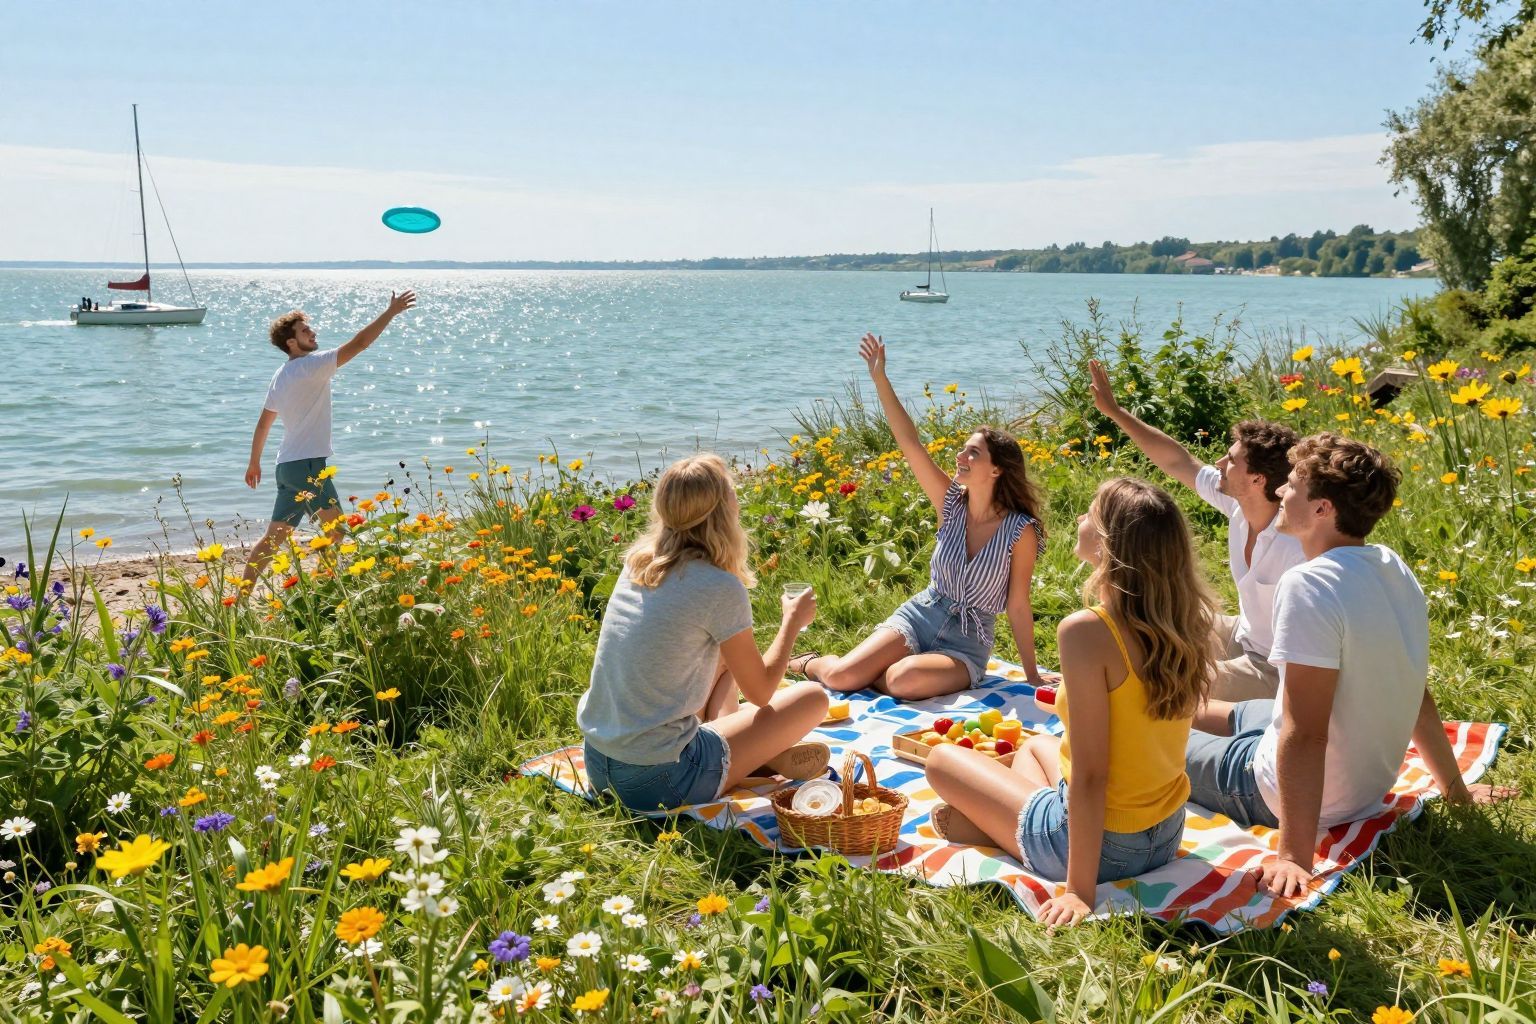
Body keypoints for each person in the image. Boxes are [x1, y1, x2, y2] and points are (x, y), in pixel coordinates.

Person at [1184, 434, 1518, 898]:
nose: (1280, 491)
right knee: (1221, 712)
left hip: (1290, 793)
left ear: (1322, 508)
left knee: (1151, 740)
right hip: (1366, 785)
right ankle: (1172, 711)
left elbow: (1305, 733)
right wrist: (1455, 791)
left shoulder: (1308, 585)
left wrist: (1293, 856)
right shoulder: (1390, 565)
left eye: (1292, 485)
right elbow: (1414, 691)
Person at [926, 477, 1216, 927]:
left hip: (1102, 851)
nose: (1080, 517)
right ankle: (1005, 824)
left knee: (942, 760)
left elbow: (1092, 774)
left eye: (1091, 512)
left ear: (1107, 544)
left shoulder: (1087, 631)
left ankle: (1007, 833)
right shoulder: (1183, 621)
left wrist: (1079, 890)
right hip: (1164, 835)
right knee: (1035, 746)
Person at [792, 333, 1049, 698]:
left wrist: (1032, 674)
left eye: (973, 453)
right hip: (921, 615)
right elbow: (910, 443)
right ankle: (810, 663)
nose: (960, 456)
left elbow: (1019, 604)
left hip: (966, 643)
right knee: (841, 677)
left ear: (997, 470)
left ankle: (883, 672)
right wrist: (880, 379)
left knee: (903, 680)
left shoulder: (1020, 531)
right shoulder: (950, 503)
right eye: (963, 449)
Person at [578, 454, 831, 812]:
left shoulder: (639, 563)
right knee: (812, 698)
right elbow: (760, 693)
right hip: (660, 781)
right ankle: (751, 759)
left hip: (599, 764)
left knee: (728, 662)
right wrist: (791, 622)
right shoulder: (718, 586)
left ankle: (746, 757)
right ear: (724, 513)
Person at [1088, 359, 1302, 701]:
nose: (1219, 463)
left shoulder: (1296, 544)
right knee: (1153, 617)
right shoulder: (1238, 505)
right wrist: (1115, 412)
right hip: (1243, 635)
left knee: (1170, 681)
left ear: (1257, 480)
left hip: (1276, 669)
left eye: (1231, 460)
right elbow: (1178, 460)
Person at [240, 291, 416, 592]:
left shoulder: (280, 375)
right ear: (291, 343)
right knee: (336, 533)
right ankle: (322, 592)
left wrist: (254, 463)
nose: (313, 333)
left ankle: (241, 597)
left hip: (286, 468)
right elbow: (360, 344)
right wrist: (390, 312)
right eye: (305, 331)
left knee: (274, 538)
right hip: (308, 466)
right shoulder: (311, 365)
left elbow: (263, 422)